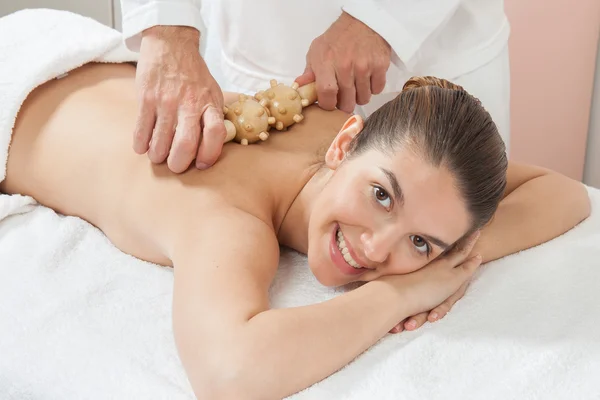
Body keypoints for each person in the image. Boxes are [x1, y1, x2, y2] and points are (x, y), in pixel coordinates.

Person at [0, 61, 589, 399]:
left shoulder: (381, 146)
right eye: (381, 195)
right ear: (343, 144)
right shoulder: (227, 218)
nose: (375, 248)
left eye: (420, 242)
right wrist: (406, 290)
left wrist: (453, 260)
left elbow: (563, 193)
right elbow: (229, 371)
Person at [119, 0, 511, 173]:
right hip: (261, 41)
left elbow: (540, 197)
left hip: (436, 49)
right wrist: (165, 27)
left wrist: (382, 16)